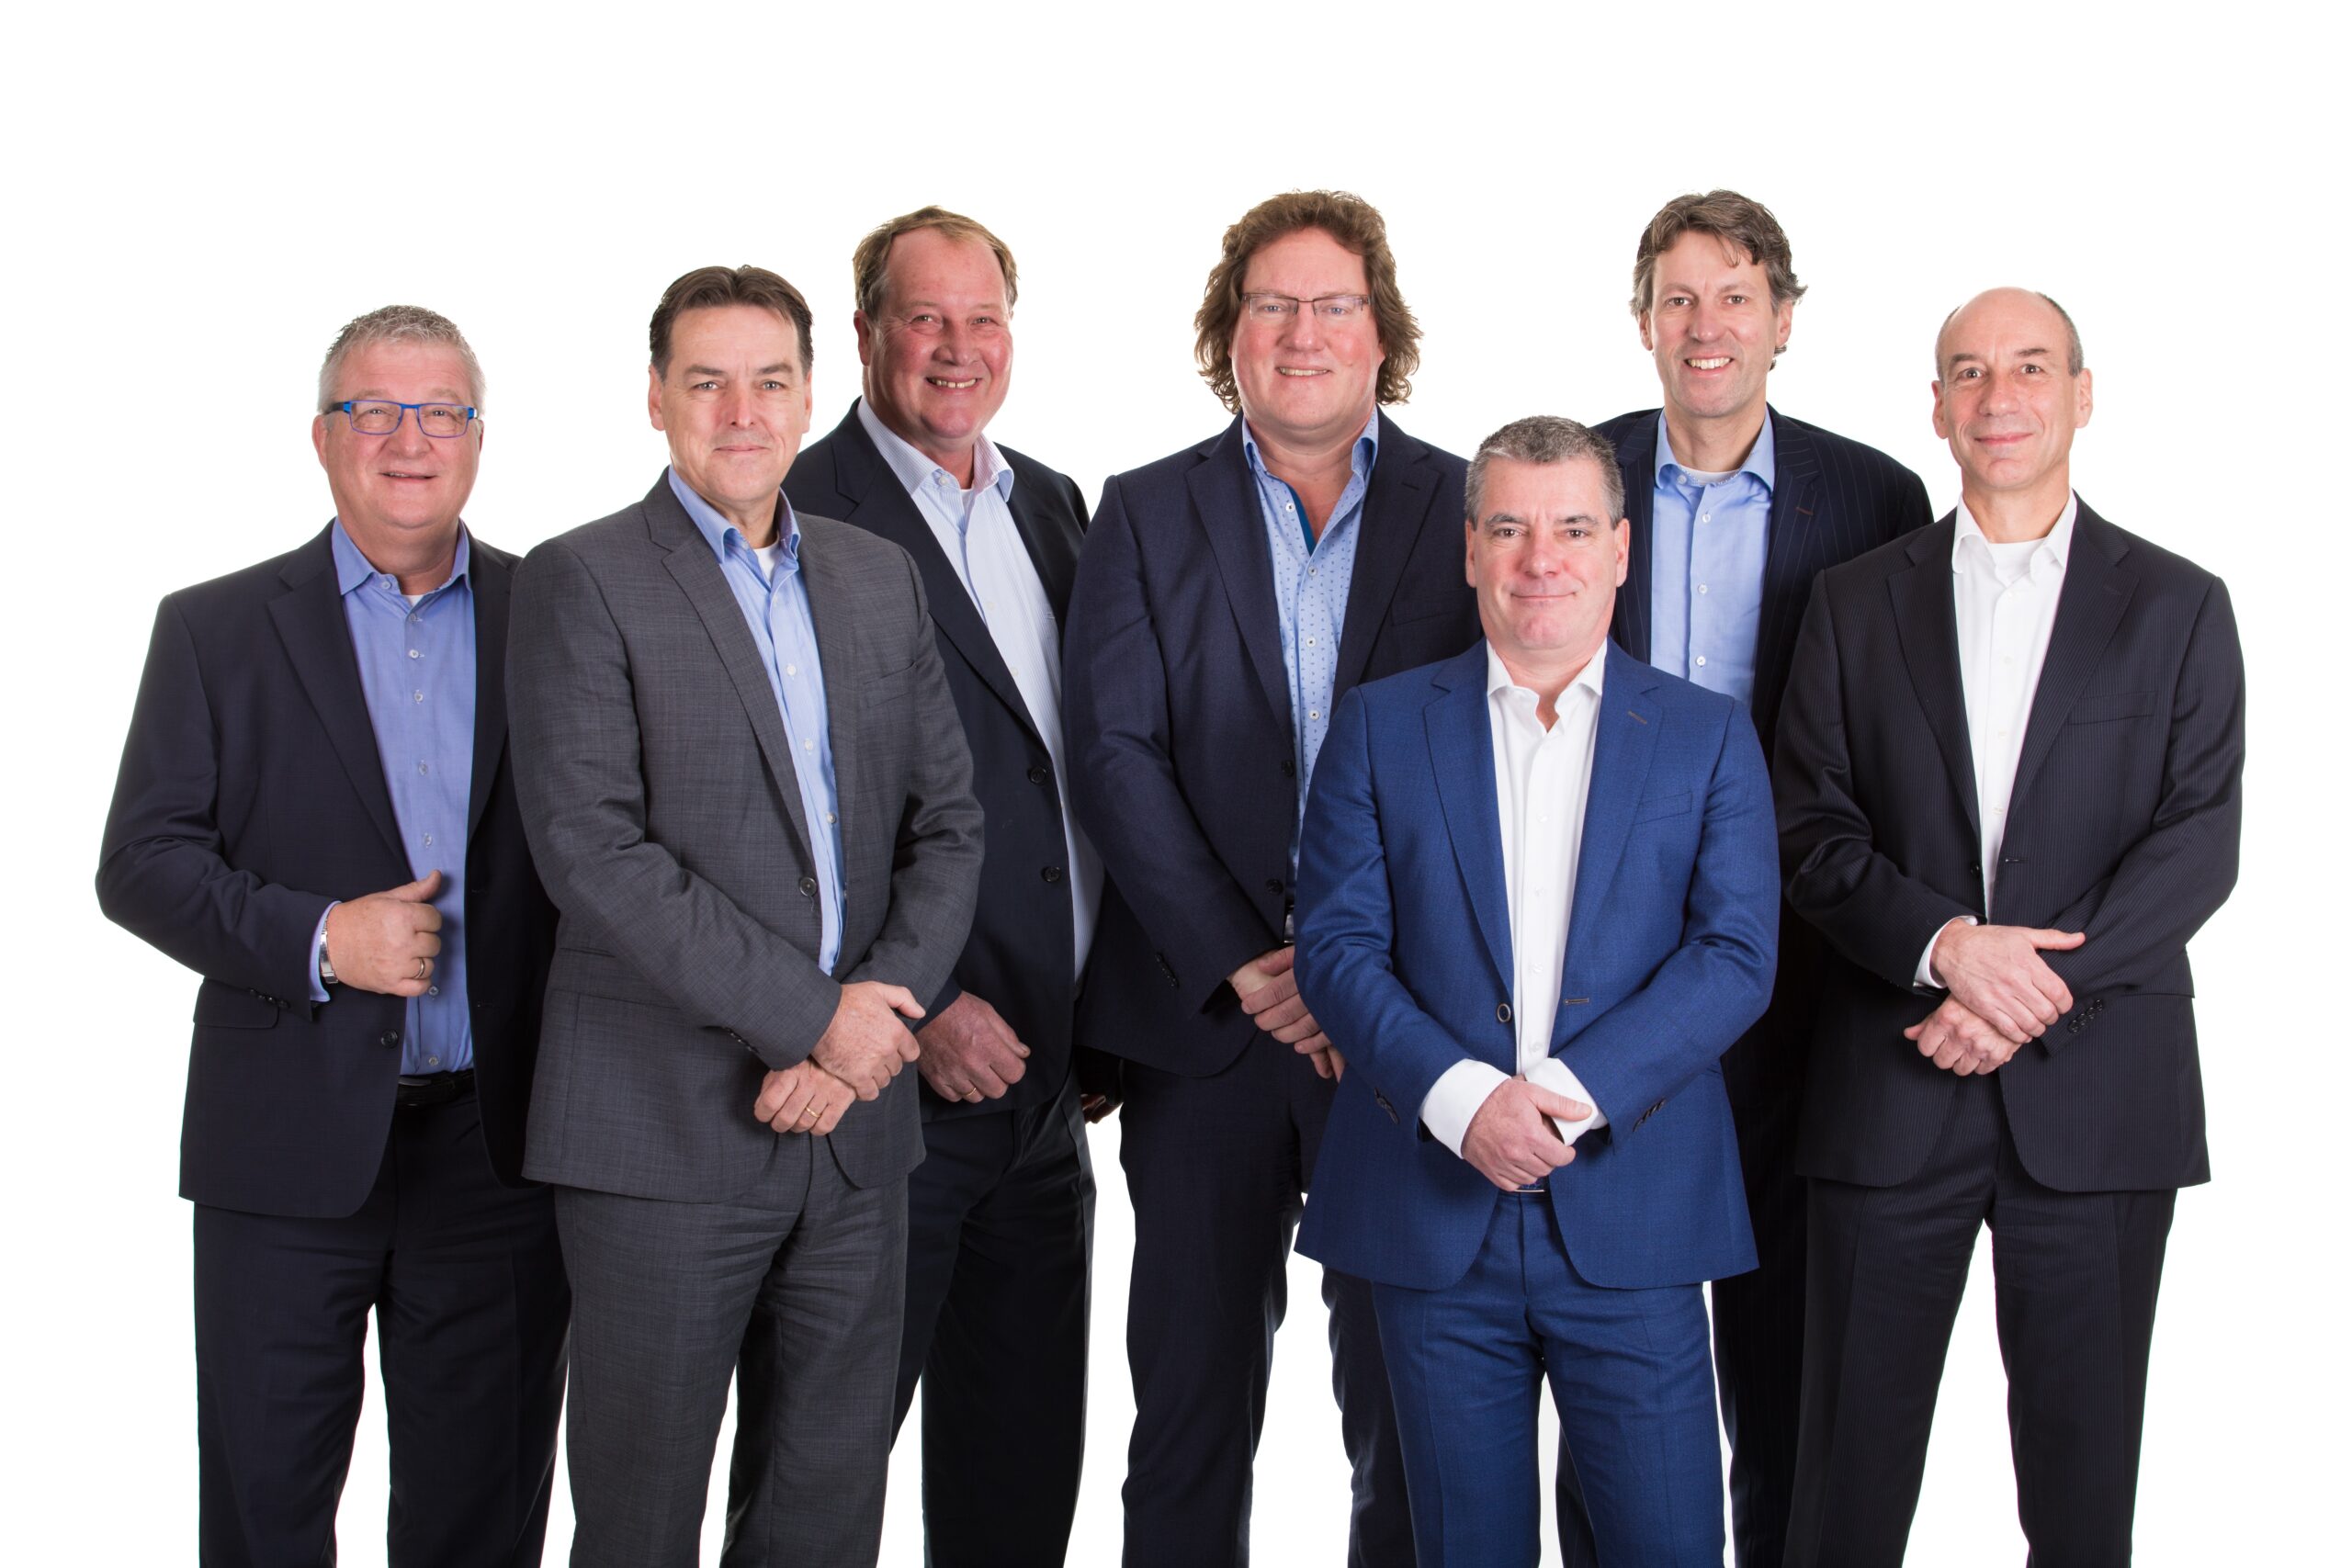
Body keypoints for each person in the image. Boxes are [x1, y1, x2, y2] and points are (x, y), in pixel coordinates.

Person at [505, 265, 985, 1567]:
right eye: (707, 382)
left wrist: (862, 1030)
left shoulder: (878, 576)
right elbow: (593, 852)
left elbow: (950, 823)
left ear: (810, 395)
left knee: (823, 1518)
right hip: (659, 1131)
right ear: (655, 398)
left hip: (857, 1136)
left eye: (770, 382)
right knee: (641, 1521)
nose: (741, 412)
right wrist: (817, 1020)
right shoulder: (582, 578)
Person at [1775, 288, 2244, 1566]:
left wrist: (2021, 994)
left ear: (2082, 395)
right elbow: (1808, 830)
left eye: (2030, 367)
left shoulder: (2180, 604)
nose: (2000, 397)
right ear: (1936, 408)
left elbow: (2197, 842)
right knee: (1843, 1497)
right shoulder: (1852, 601)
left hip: (2100, 1101)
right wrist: (1947, 948)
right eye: (1969, 372)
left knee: (2083, 1506)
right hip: (1889, 1083)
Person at [96, 305, 568, 1567]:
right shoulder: (215, 629)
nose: (411, 440)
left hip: (499, 1150)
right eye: (376, 411)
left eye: (442, 412)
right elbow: (141, 863)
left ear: (478, 438)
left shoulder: (556, 612)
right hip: (283, 1145)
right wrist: (320, 937)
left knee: (482, 1521)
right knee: (266, 1513)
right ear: (322, 437)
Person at [1063, 188, 1477, 1567]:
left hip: (1405, 1031)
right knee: (1188, 1416)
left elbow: (1502, 755)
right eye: (1272, 305)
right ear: (1228, 335)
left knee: (1411, 1420)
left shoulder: (1469, 507)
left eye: (1334, 305)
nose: (1304, 332)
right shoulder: (1143, 511)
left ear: (1381, 333)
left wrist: (1357, 980)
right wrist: (1251, 963)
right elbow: (1114, 755)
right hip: (1207, 1032)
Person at [1295, 414, 1780, 1566]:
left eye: (1570, 528)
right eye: (1508, 528)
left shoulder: (1708, 737)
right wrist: (1466, 1102)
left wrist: (1564, 1097)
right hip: (1432, 1212)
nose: (1539, 559)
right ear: (1470, 551)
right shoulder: (1379, 725)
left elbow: (1734, 956)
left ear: (1619, 549)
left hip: (1634, 1211)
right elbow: (1338, 949)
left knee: (1668, 1548)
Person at [1589, 187, 1934, 1568]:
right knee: (1611, 1334)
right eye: (1678, 297)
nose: (1707, 324)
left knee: (1788, 1335)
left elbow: (1904, 742)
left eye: (1735, 295)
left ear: (1783, 320)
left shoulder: (1875, 498)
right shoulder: (1578, 477)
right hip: (1602, 964)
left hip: (1804, 962)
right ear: (1642, 322)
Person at [786, 206, 1103, 1567]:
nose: (956, 348)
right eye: (926, 318)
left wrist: (1104, 1013)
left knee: (1017, 1480)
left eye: (984, 320)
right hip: (890, 1092)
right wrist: (923, 1004)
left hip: (1048, 1091)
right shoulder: (798, 509)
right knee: (820, 1480)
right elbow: (787, 806)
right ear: (867, 332)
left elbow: (1073, 769)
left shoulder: (1053, 505)